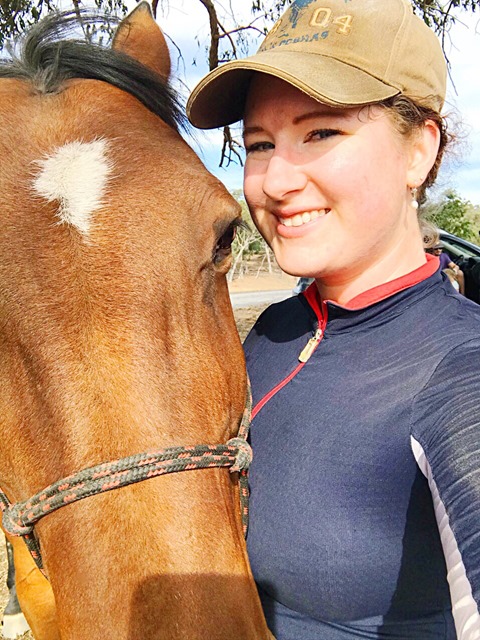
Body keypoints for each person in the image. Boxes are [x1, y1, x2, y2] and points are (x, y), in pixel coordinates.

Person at [187, 1, 480, 638]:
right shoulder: (273, 331)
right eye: (259, 145)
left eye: (320, 133)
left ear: (419, 152)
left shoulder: (460, 368)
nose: (275, 180)